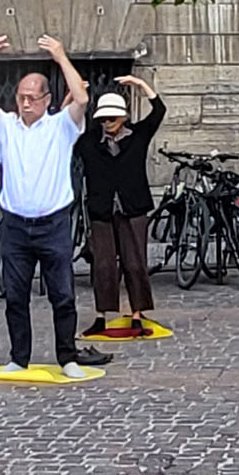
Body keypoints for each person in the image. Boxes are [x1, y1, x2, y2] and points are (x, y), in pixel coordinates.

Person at [0, 34, 114, 377]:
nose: (25, 103)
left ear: (46, 100)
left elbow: (81, 97)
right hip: (16, 226)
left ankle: (67, 357)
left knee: (62, 295)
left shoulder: (60, 126)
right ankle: (19, 356)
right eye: (21, 97)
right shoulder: (5, 126)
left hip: (53, 224)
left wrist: (61, 56)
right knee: (15, 297)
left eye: (32, 97)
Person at [76, 76, 166, 337]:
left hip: (133, 208)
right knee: (103, 266)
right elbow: (65, 124)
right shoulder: (89, 142)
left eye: (112, 118)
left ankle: (137, 314)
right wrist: (74, 96)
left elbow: (159, 110)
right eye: (104, 119)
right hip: (102, 210)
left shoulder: (138, 136)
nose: (108, 123)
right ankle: (101, 316)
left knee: (135, 263)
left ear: (123, 117)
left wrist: (140, 84)